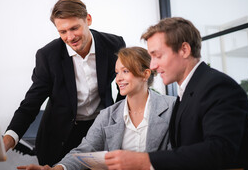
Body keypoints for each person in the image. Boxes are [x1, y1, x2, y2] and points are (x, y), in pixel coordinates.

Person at [104, 17, 248, 170]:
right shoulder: (186, 92)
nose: (152, 65)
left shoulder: (219, 87)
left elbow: (220, 150)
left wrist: (145, 160)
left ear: (184, 50)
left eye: (157, 55)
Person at [3, 0, 126, 166]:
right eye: (63, 32)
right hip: (58, 139)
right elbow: (30, 104)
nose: (70, 37)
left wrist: (120, 122)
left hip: (98, 131)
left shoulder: (113, 44)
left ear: (88, 19)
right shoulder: (48, 56)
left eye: (74, 28)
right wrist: (7, 141)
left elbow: (125, 87)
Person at [17, 46, 176, 170]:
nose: (118, 78)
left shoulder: (171, 107)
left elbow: (180, 156)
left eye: (125, 71)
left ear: (145, 74)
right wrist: (57, 168)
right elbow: (83, 152)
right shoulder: (108, 115)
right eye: (117, 72)